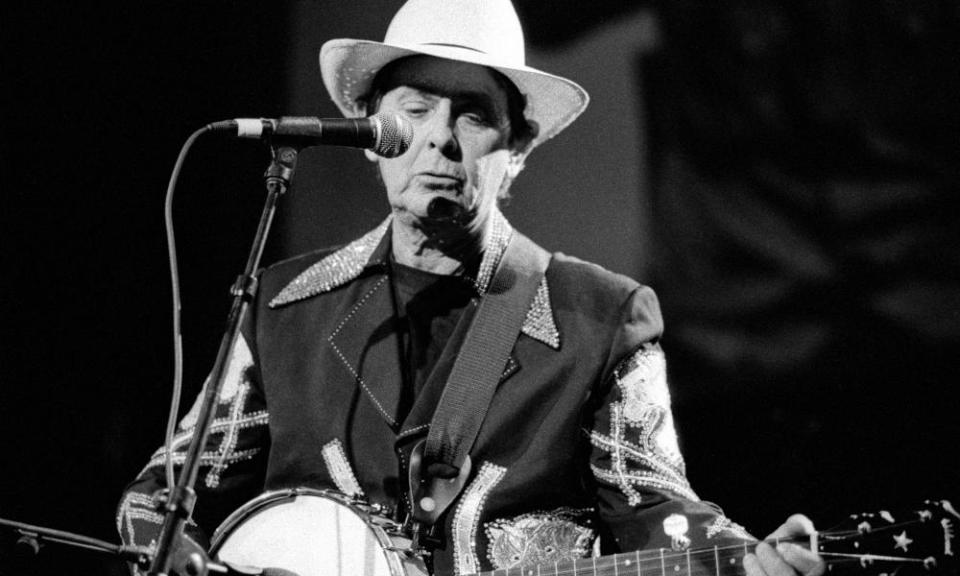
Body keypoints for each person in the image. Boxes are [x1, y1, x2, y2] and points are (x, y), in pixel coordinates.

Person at [117, 1, 826, 576]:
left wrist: (745, 562)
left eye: (474, 115)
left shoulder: (602, 318)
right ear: (372, 136)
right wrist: (164, 542)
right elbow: (164, 492)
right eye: (414, 110)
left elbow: (657, 510)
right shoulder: (282, 307)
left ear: (514, 152)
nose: (441, 141)